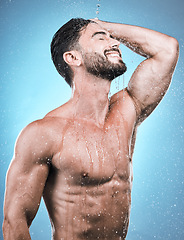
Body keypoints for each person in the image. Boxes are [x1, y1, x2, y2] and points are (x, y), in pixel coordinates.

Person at [3, 18, 179, 240]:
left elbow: (167, 49)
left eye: (111, 37)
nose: (114, 42)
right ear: (73, 57)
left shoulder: (127, 109)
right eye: (101, 37)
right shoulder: (44, 133)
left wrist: (103, 26)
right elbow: (14, 222)